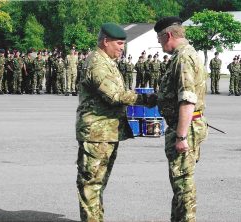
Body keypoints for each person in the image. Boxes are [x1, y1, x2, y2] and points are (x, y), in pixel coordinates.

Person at [75, 22, 155, 222]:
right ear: (105, 41)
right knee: (91, 183)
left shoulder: (108, 63)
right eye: (119, 43)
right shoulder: (96, 63)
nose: (122, 48)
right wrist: (147, 99)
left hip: (107, 132)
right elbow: (114, 95)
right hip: (96, 133)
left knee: (99, 183)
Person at [154, 16, 208, 222]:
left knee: (183, 184)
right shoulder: (185, 54)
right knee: (179, 183)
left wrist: (181, 136)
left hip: (186, 126)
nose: (159, 45)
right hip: (187, 124)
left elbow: (187, 99)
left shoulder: (183, 58)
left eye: (159, 40)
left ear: (168, 35)